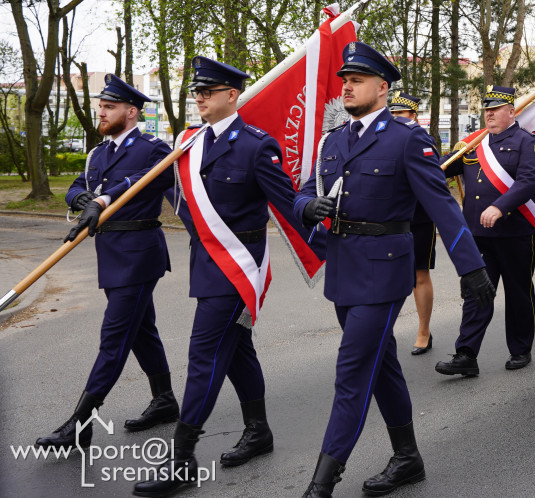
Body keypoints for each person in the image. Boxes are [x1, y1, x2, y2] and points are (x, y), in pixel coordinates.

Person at [293, 42, 495, 497]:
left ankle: (321, 484)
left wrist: (471, 267)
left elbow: (442, 206)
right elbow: (303, 190)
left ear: (382, 88)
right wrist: (308, 206)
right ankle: (408, 458)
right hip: (344, 268)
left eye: (357, 80)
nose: (346, 86)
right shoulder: (332, 140)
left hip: (384, 272)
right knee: (382, 365)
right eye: (344, 81)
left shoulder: (407, 138)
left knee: (352, 371)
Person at [134, 57, 309, 497]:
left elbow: (288, 203)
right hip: (206, 261)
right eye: (197, 91)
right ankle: (259, 430)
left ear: (232, 96)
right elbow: (165, 188)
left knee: (204, 356)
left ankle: (182, 458)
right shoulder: (189, 143)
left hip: (237, 267)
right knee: (236, 352)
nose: (199, 98)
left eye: (208, 92)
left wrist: (328, 232)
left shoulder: (255, 145)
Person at [36, 76, 178, 453]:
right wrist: (83, 199)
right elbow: (76, 186)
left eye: (109, 107)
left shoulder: (153, 148)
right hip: (110, 253)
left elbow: (145, 180)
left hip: (138, 254)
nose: (101, 111)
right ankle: (164, 399)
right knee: (142, 329)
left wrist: (104, 200)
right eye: (101, 106)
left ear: (131, 113)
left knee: (114, 338)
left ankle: (79, 425)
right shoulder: (98, 153)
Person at [436, 85, 535, 377]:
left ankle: (520, 348)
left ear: (512, 111)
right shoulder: (473, 144)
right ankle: (466, 354)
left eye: (496, 109)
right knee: (476, 292)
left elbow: (527, 182)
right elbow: (441, 168)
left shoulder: (527, 142)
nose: (490, 114)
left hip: (514, 233)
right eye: (487, 109)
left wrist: (500, 207)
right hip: (478, 235)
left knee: (518, 293)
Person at [387, 90, 437, 355]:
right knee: (389, 275)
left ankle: (424, 330)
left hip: (419, 217)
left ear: (413, 116)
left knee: (419, 274)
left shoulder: (422, 140)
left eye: (401, 114)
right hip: (391, 218)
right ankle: (383, 329)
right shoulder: (382, 139)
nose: (395, 118)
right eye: (392, 113)